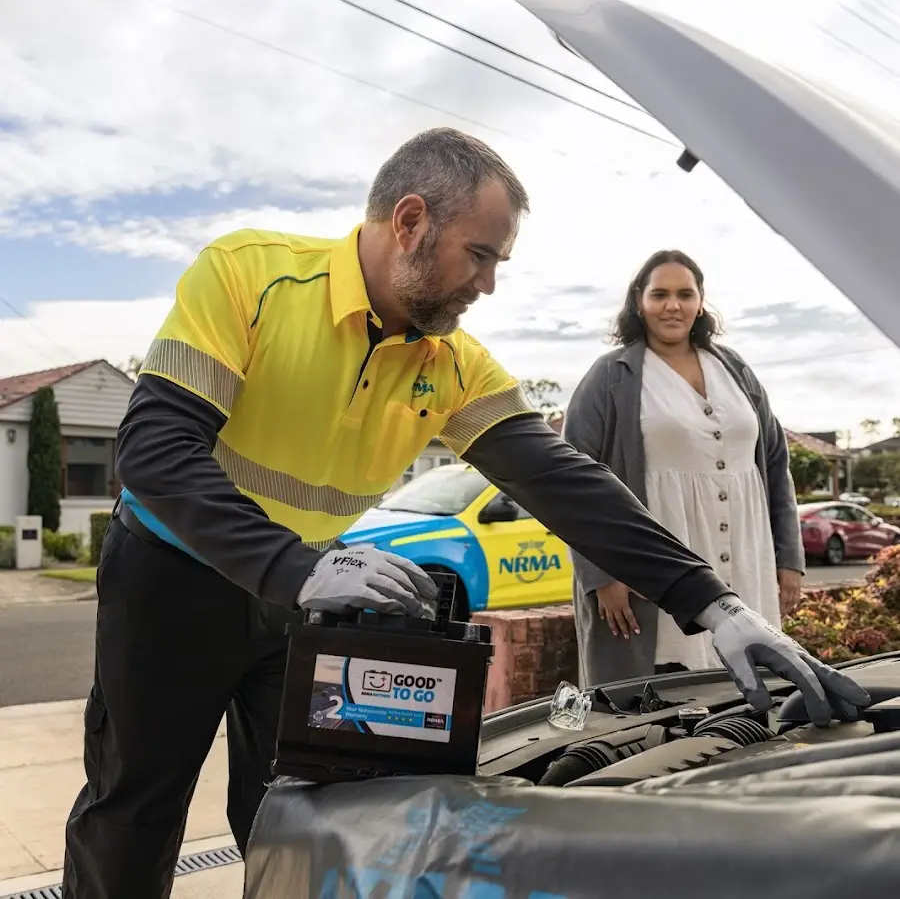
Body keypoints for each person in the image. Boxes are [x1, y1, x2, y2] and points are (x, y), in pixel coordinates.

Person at [61, 128, 868, 899]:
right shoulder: (248, 276)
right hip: (174, 574)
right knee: (137, 807)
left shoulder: (450, 361)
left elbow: (566, 483)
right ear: (410, 221)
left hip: (305, 591)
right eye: (480, 255)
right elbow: (156, 452)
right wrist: (299, 569)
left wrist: (713, 603)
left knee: (294, 808)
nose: (488, 284)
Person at [563, 249, 805, 686]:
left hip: (747, 560)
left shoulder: (736, 370)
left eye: (684, 294)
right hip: (656, 567)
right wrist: (601, 577)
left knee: (747, 688)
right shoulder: (610, 376)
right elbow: (571, 483)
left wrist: (789, 560)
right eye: (659, 294)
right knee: (659, 695)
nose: (672, 305)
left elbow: (775, 466)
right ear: (639, 301)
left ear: (700, 301)